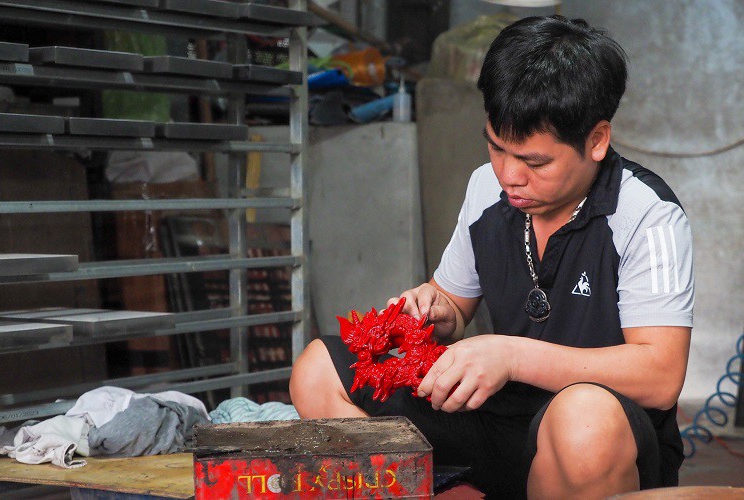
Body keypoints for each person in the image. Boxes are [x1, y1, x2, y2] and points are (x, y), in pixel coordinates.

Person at [290, 15, 694, 499]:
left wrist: (511, 356)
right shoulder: (486, 188)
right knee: (319, 367)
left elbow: (661, 376)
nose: (509, 175)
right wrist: (435, 309)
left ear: (597, 141)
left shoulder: (647, 214)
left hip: (597, 442)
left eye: (535, 162)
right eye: (497, 147)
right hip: (495, 418)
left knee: (584, 418)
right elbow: (453, 306)